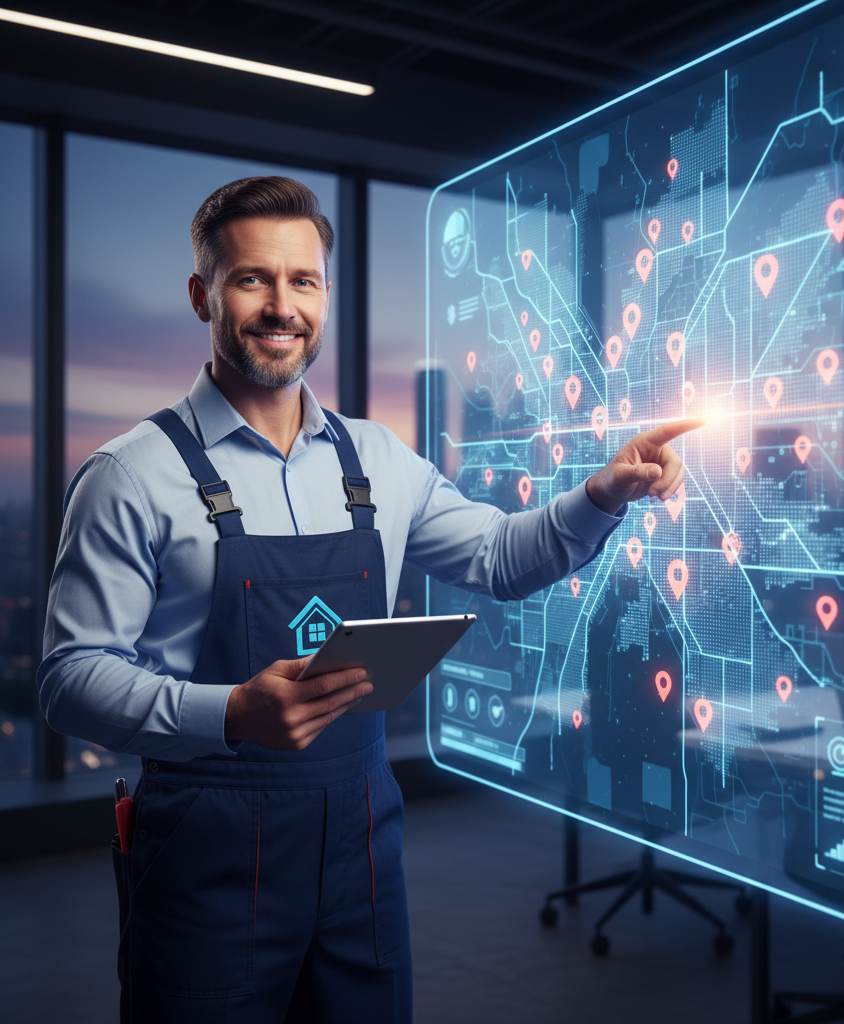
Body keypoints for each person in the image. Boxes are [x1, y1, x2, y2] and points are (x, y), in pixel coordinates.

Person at [38, 176, 703, 1024]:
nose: (282, 306)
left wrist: (604, 494)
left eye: (303, 281)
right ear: (204, 294)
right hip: (205, 859)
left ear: (324, 295)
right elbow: (69, 678)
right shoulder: (130, 475)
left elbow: (501, 556)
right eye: (253, 280)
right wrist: (232, 712)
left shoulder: (379, 462)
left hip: (360, 849)